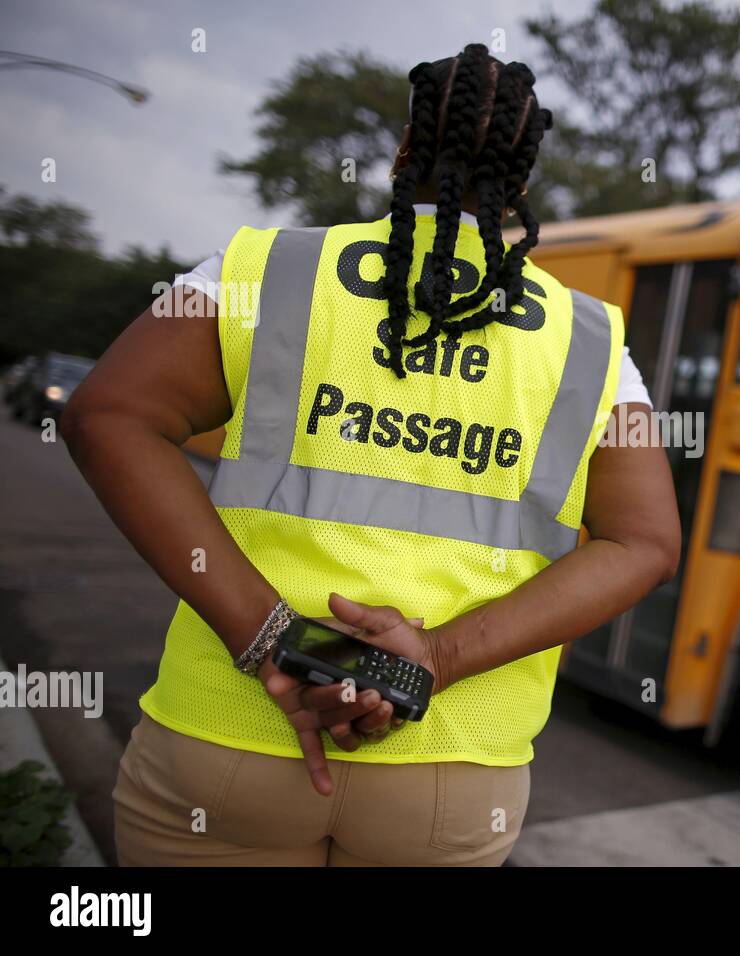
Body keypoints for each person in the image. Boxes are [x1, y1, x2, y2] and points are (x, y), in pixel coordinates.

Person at [62, 42, 680, 866]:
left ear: (401, 150)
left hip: (231, 741)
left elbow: (106, 416)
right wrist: (436, 661)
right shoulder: (595, 345)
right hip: (449, 775)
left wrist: (276, 640)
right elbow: (645, 542)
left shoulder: (266, 270)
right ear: (522, 187)